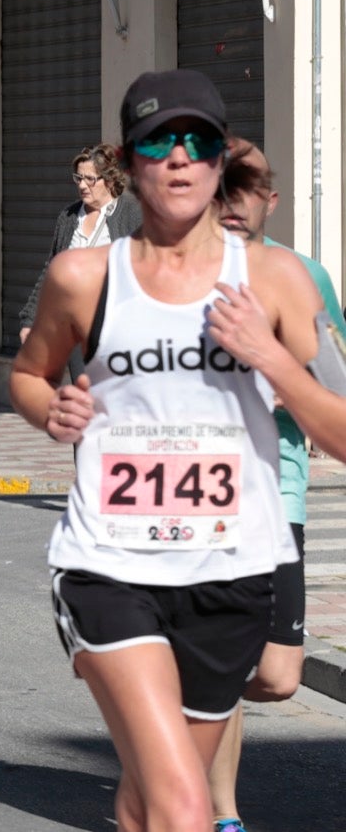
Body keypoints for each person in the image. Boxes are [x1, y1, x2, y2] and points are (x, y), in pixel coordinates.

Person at [10, 69, 346, 832]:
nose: (180, 158)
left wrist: (272, 359)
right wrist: (50, 408)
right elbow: (28, 374)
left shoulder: (277, 279)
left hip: (231, 573)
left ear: (220, 160)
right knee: (186, 807)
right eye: (160, 142)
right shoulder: (83, 276)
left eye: (198, 142)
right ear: (131, 164)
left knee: (149, 802)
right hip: (110, 564)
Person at [205, 139, 344, 832]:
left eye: (246, 185)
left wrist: (291, 385)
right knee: (224, 658)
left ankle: (186, 696)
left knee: (279, 675)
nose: (231, 199)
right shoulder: (168, 267)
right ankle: (223, 812)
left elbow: (337, 390)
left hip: (276, 492)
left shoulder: (302, 274)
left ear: (270, 198)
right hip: (193, 498)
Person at [19, 144, 142, 346]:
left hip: (118, 328)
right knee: (81, 379)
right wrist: (30, 320)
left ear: (109, 179)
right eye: (78, 178)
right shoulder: (68, 217)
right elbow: (51, 272)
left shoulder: (132, 212)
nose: (82, 186)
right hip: (74, 325)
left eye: (90, 179)